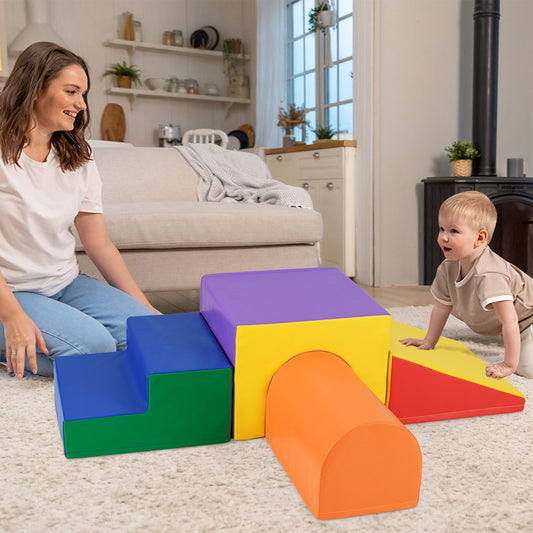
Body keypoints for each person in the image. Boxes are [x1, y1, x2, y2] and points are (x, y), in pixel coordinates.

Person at [0, 42, 160, 381]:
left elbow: (99, 243)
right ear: (33, 89)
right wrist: (13, 316)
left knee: (146, 336)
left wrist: (144, 307)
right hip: (10, 291)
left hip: (65, 282)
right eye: (71, 92)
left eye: (83, 94)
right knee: (93, 347)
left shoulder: (77, 156)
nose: (81, 105)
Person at [400, 190, 533, 379]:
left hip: (527, 319)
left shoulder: (490, 274)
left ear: (480, 238)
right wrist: (429, 341)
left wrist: (508, 365)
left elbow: (509, 320)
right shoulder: (448, 268)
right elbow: (441, 307)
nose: (444, 237)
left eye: (453, 231)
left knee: (527, 370)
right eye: (442, 229)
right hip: (509, 323)